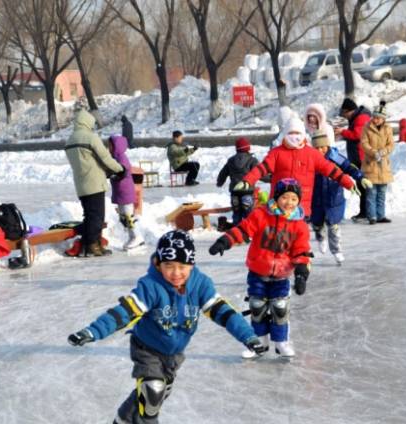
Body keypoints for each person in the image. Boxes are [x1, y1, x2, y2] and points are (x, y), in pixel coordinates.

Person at [68, 230, 265, 424]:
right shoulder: (150, 286)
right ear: (158, 263)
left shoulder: (201, 285)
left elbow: (225, 313)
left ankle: (122, 420)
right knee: (152, 391)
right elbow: (123, 313)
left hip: (174, 354)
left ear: (192, 264)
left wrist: (248, 336)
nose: (176, 273)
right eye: (169, 265)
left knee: (153, 396)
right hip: (146, 348)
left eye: (182, 266)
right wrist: (92, 331)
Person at [209, 178, 312, 359]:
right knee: (257, 307)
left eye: (293, 199)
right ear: (276, 197)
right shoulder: (261, 215)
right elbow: (243, 230)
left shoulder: (299, 225)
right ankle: (259, 342)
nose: (289, 202)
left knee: (280, 308)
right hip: (258, 272)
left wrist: (301, 274)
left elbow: (301, 251)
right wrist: (225, 241)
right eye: (285, 197)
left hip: (281, 275)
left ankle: (281, 342)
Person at [235, 116, 356, 218]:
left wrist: (348, 183)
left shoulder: (312, 154)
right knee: (279, 242)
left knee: (298, 242)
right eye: (291, 133)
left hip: (300, 208)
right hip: (278, 206)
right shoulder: (276, 153)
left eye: (297, 133)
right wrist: (248, 180)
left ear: (303, 134)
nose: (294, 136)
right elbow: (262, 168)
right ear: (285, 134)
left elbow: (331, 170)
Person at [65, 109, 124, 256]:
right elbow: (104, 157)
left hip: (81, 184)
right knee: (97, 217)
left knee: (90, 216)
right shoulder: (90, 138)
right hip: (94, 183)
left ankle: (91, 244)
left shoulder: (70, 140)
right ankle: (92, 246)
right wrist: (119, 169)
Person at [310, 128, 370, 265]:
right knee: (317, 223)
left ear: (328, 145)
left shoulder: (335, 157)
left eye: (323, 147)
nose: (320, 150)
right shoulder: (310, 159)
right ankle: (320, 237)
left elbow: (349, 167)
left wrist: (361, 178)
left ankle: (336, 250)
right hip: (316, 198)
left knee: (334, 225)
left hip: (333, 198)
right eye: (317, 147)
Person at [335, 98, 371, 221]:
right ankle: (364, 211)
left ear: (349, 111)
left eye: (345, 114)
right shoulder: (356, 118)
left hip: (362, 157)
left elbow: (358, 134)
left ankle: (367, 212)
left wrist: (343, 132)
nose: (345, 117)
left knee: (363, 185)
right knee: (361, 185)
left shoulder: (361, 118)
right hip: (357, 157)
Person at [108, 134, 145, 250]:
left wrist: (113, 174)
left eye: (110, 146)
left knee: (128, 215)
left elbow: (123, 171)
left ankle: (137, 236)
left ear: (117, 147)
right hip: (121, 192)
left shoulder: (122, 158)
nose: (108, 148)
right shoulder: (115, 158)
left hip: (125, 192)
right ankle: (132, 236)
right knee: (123, 217)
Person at [361, 101, 395, 225]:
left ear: (383, 119)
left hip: (383, 165)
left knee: (381, 193)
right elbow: (364, 143)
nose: (375, 120)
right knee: (371, 193)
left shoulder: (388, 129)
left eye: (378, 118)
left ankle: (381, 215)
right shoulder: (366, 128)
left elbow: (391, 144)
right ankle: (372, 216)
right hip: (371, 164)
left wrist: (384, 151)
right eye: (374, 117)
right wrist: (374, 152)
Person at [216, 137, 262, 225]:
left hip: (235, 192)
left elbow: (223, 173)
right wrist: (271, 178)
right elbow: (260, 173)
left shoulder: (231, 160)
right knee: (248, 214)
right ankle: (247, 232)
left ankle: (236, 233)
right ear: (248, 148)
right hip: (247, 191)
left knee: (236, 213)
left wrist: (219, 182)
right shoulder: (252, 160)